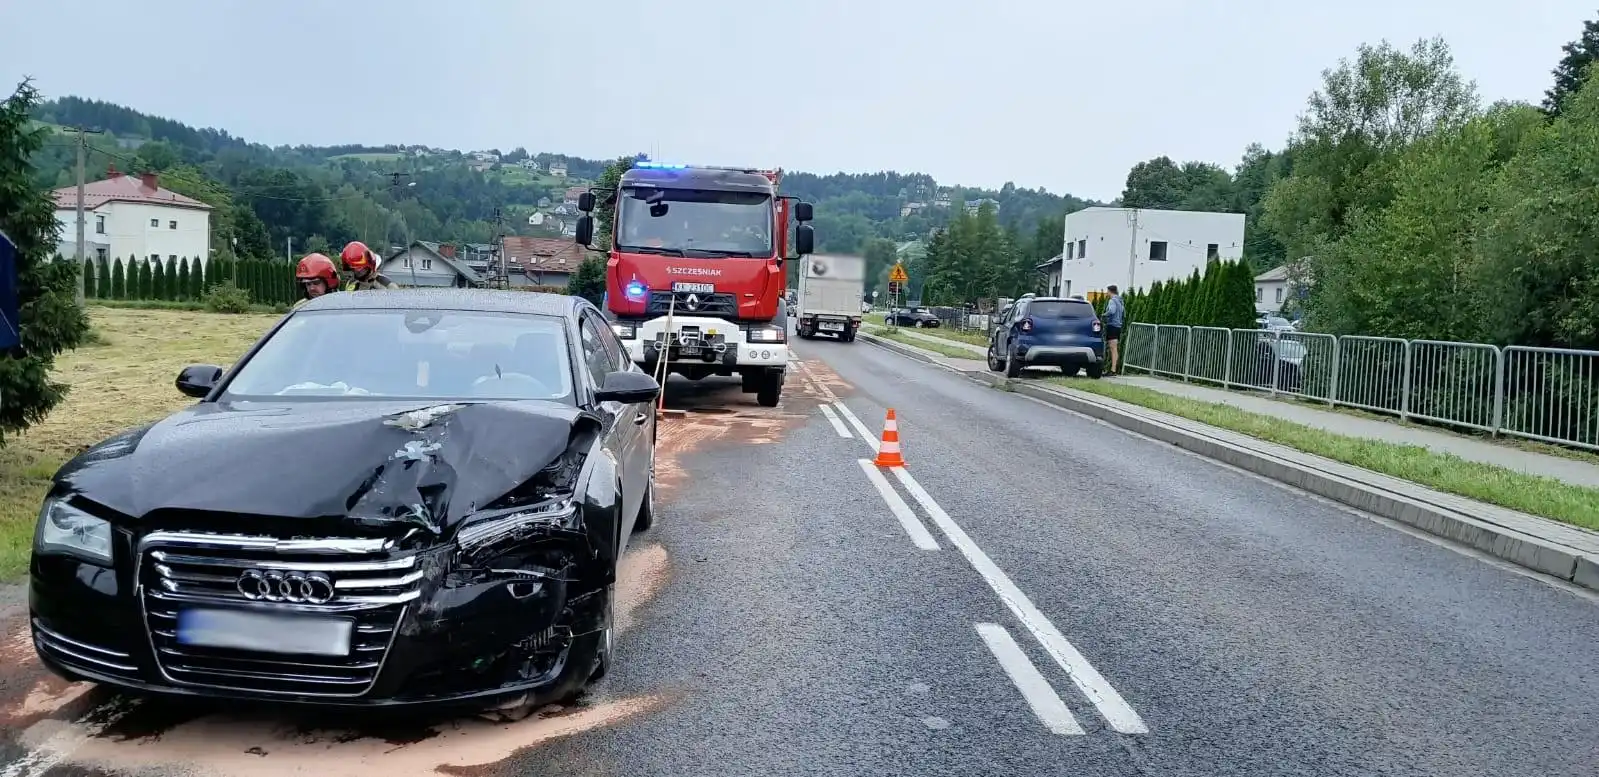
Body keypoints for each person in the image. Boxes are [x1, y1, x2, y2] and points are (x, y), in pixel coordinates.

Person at [1103, 284, 1125, 375]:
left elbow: (1112, 311)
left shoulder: (1112, 301)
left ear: (1110, 291)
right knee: (1114, 348)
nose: (1106, 293)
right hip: (1118, 326)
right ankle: (1114, 369)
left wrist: (1104, 315)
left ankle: (1112, 370)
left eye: (1107, 291)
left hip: (1112, 325)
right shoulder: (1120, 301)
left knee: (1112, 348)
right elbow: (1124, 313)